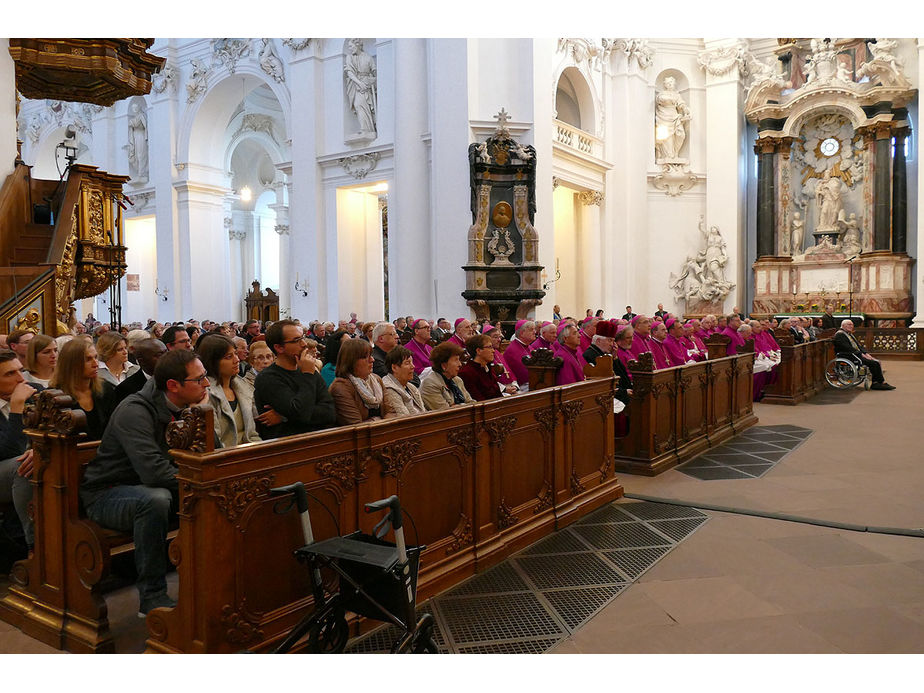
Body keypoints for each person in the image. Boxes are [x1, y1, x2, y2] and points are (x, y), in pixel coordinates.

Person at [80, 350, 210, 616]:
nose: (207, 384)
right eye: (200, 379)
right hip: (107, 494)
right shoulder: (135, 411)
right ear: (173, 386)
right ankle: (152, 596)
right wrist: (205, 483)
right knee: (156, 500)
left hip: (152, 486)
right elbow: (153, 472)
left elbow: (209, 454)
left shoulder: (188, 406)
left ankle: (215, 585)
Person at [253, 320, 337, 438]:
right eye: (297, 340)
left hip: (317, 440)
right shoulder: (268, 378)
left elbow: (329, 413)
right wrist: (307, 375)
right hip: (287, 447)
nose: (304, 344)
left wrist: (284, 417)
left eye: (302, 337)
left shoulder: (310, 370)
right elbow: (300, 413)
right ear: (279, 347)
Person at [0, 350, 38, 552]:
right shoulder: (21, 399)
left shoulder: (35, 392)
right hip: (4, 470)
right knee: (22, 468)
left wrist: (39, 451)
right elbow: (8, 451)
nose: (21, 379)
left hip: (37, 462)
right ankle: (36, 547)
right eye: (10, 374)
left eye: (21, 371)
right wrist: (16, 407)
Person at [197, 334, 262, 448]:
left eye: (236, 354)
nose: (236, 360)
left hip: (251, 450)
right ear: (213, 362)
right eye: (228, 357)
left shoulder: (243, 386)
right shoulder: (206, 393)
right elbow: (214, 442)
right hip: (225, 456)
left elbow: (253, 430)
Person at [50, 338, 112, 440]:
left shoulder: (106, 389)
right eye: (88, 359)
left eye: (96, 357)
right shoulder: (55, 396)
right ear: (71, 364)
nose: (95, 364)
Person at [329, 338, 393, 425]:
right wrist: (379, 420)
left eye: (371, 355)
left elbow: (390, 412)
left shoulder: (376, 379)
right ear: (351, 361)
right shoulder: (340, 387)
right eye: (365, 357)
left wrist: (376, 421)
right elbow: (355, 426)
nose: (372, 360)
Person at [833, 320, 895, 390]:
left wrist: (865, 353)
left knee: (876, 362)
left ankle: (879, 382)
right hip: (848, 355)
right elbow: (847, 348)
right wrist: (861, 354)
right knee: (874, 363)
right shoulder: (840, 334)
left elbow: (859, 346)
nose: (851, 326)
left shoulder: (849, 334)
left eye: (852, 325)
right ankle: (877, 383)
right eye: (849, 325)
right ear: (843, 325)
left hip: (855, 354)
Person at [112, 338, 166, 408]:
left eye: (166, 352)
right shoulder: (125, 389)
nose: (166, 357)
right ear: (142, 361)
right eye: (159, 355)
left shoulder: (176, 378)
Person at [420, 342, 474, 411]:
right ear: (444, 365)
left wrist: (457, 406)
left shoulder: (457, 380)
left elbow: (471, 403)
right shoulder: (430, 383)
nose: (460, 364)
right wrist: (462, 406)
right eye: (456, 360)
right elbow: (445, 413)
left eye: (459, 360)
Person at [458, 334, 509, 401]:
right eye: (489, 347)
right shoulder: (467, 373)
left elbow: (498, 394)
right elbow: (478, 400)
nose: (493, 351)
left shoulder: (488, 367)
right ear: (478, 351)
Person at [382, 346, 426, 418]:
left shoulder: (411, 387)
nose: (413, 366)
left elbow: (423, 412)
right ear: (394, 368)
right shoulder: (389, 389)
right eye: (407, 363)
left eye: (412, 362)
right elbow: (404, 419)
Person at [503, 319, 536, 389]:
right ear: (521, 333)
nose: (535, 332)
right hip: (521, 388)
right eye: (531, 330)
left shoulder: (530, 347)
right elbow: (522, 373)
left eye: (534, 329)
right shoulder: (512, 350)